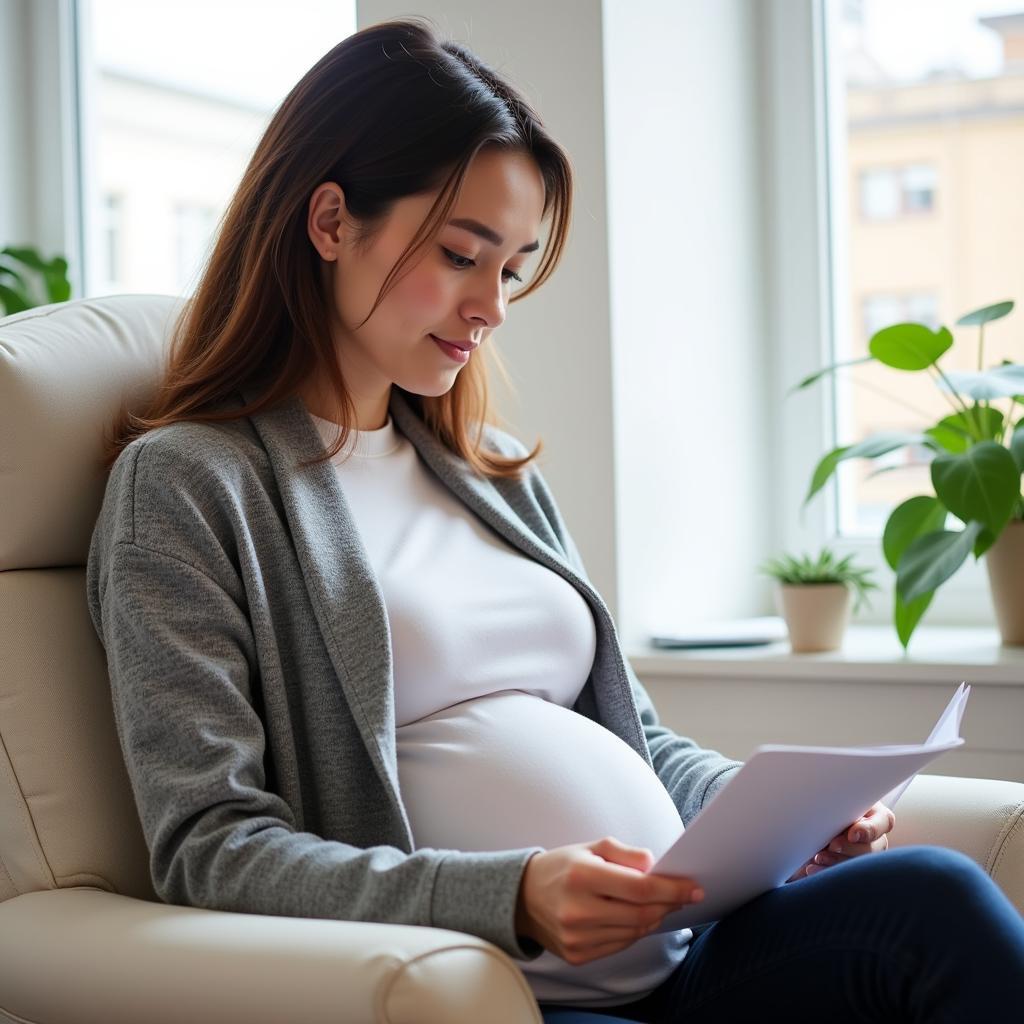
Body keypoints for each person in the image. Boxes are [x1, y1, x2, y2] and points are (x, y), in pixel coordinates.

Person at [86, 16, 1024, 1022]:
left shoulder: (487, 477)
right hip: (511, 993)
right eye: (461, 254)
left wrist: (777, 818)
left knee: (939, 899)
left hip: (684, 959)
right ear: (328, 222)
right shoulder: (189, 486)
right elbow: (210, 844)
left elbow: (637, 737)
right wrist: (513, 894)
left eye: (514, 268)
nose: (490, 305)